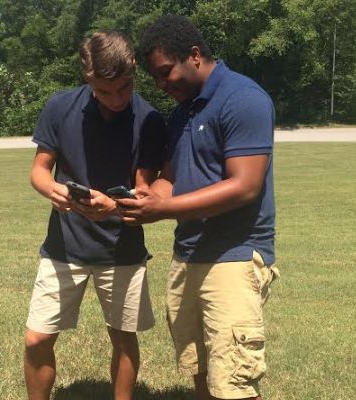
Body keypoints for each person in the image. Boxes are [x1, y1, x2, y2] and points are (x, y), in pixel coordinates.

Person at [117, 14, 280, 400]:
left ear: (193, 55)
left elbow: (244, 185)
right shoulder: (182, 112)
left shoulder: (243, 99)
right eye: (154, 78)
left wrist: (164, 209)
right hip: (188, 254)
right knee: (200, 370)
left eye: (165, 73)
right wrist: (146, 196)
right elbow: (169, 178)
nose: (160, 85)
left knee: (233, 381)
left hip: (233, 256)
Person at [23, 31, 166, 400]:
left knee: (122, 337)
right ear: (88, 80)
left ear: (133, 71)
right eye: (105, 91)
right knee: (37, 337)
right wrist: (50, 188)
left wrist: (114, 207)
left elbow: (145, 188)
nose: (117, 99)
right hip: (63, 246)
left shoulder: (149, 119)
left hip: (121, 249)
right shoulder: (59, 107)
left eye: (124, 88)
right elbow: (40, 170)